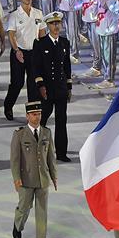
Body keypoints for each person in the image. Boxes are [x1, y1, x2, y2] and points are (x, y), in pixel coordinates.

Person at [10, 101, 58, 238]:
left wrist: (54, 176)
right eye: (34, 114)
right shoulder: (19, 134)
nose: (37, 117)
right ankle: (18, 225)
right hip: (26, 179)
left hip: (42, 178)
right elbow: (15, 159)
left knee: (42, 210)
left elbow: (51, 157)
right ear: (27, 116)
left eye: (39, 114)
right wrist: (16, 178)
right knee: (24, 207)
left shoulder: (47, 133)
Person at [31, 11, 72, 162]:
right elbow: (36, 66)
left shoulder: (64, 43)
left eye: (58, 23)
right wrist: (40, 85)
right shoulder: (40, 43)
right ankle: (36, 148)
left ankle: (61, 152)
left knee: (61, 120)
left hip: (60, 88)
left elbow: (66, 66)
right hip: (46, 89)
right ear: (47, 25)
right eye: (53, 24)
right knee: (41, 120)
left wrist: (69, 86)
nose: (56, 26)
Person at [3, 0, 45, 120]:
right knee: (17, 83)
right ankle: (8, 105)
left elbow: (42, 33)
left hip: (34, 53)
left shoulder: (38, 13)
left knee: (33, 84)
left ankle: (32, 114)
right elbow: (11, 34)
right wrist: (16, 50)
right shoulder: (15, 15)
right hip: (19, 52)